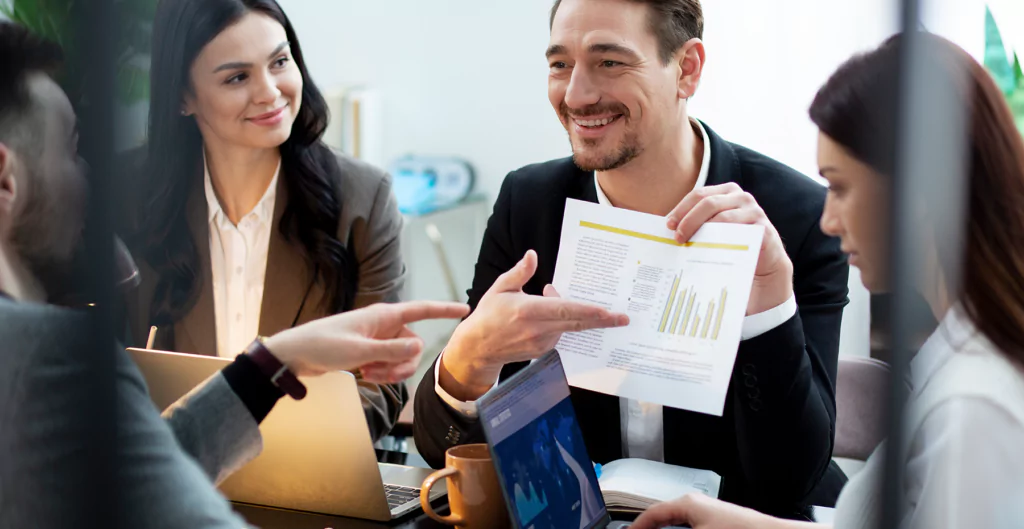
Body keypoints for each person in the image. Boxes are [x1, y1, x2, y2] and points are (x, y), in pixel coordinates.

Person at [0, 21, 469, 527]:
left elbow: (130, 470)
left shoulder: (361, 196)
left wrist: (276, 359)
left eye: (280, 61)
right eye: (71, 149)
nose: (88, 175)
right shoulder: (55, 351)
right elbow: (141, 479)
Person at [414, 0, 850, 514]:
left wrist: (767, 311)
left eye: (609, 62)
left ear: (687, 69)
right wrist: (469, 361)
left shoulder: (795, 219)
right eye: (560, 64)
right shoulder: (528, 205)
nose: (576, 94)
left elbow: (791, 479)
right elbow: (443, 452)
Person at [630, 32, 1024, 529]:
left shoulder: (975, 407)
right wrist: (723, 519)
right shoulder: (960, 344)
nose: (828, 220)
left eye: (839, 186)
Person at [118, 0, 408, 440]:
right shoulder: (127, 198)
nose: (270, 91)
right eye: (238, 77)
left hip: (307, 479)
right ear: (183, 96)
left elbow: (380, 388)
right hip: (169, 482)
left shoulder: (364, 199)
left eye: (279, 61)